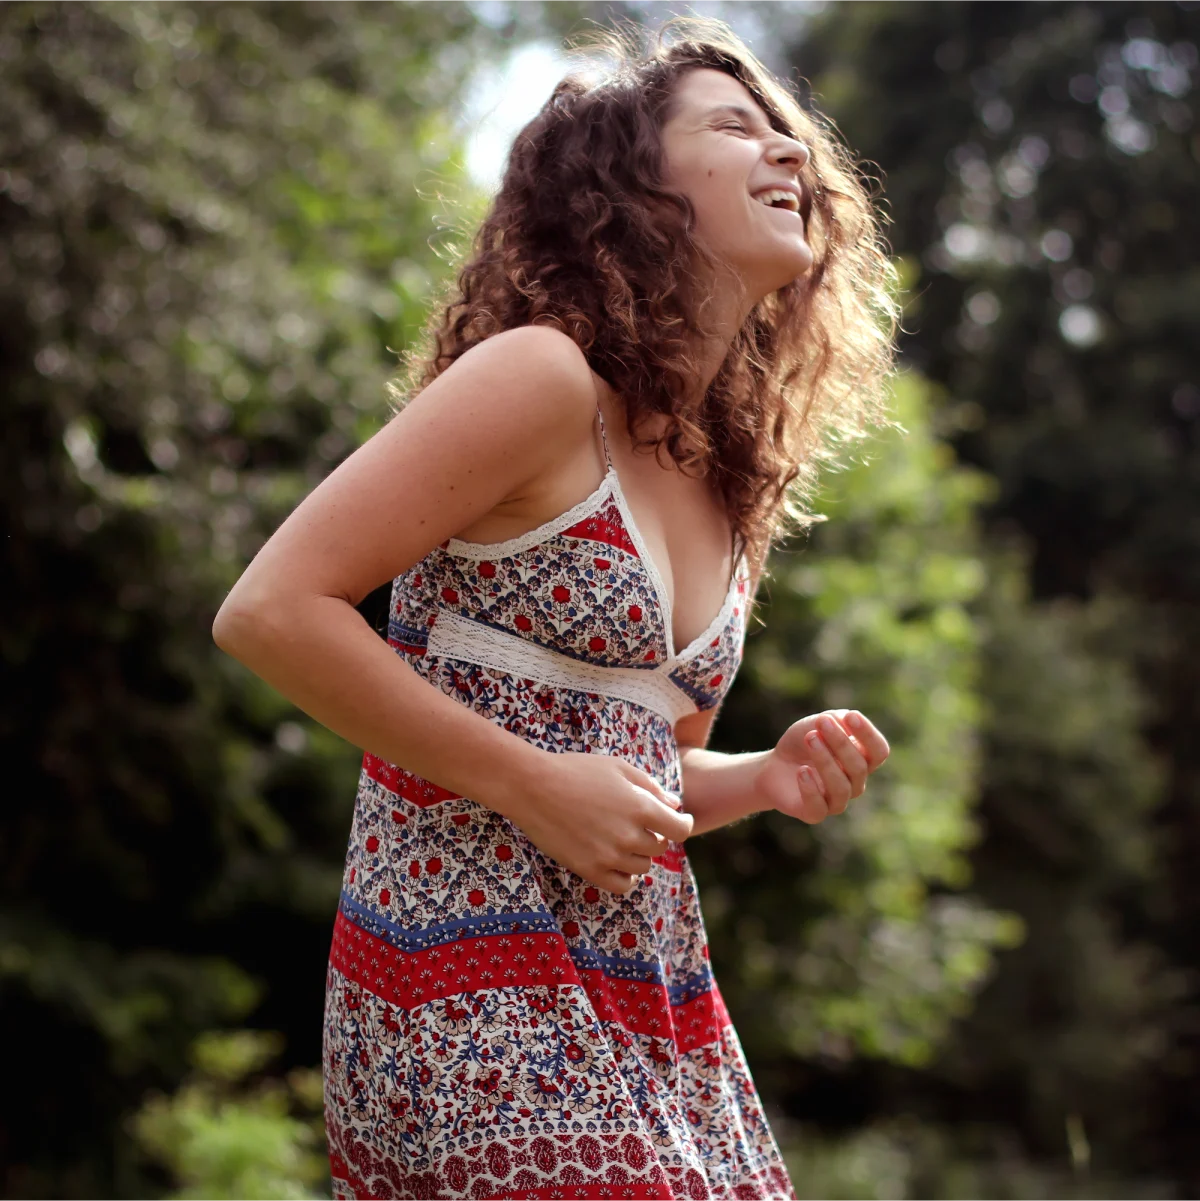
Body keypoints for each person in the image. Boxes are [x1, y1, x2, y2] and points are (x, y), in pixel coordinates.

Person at [213, 16, 896, 1201]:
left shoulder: (731, 476)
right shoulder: (541, 380)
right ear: (634, 185)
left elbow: (640, 772)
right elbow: (271, 610)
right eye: (738, 128)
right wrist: (526, 782)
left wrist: (764, 778)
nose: (788, 154)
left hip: (651, 991)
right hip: (464, 964)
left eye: (790, 136)